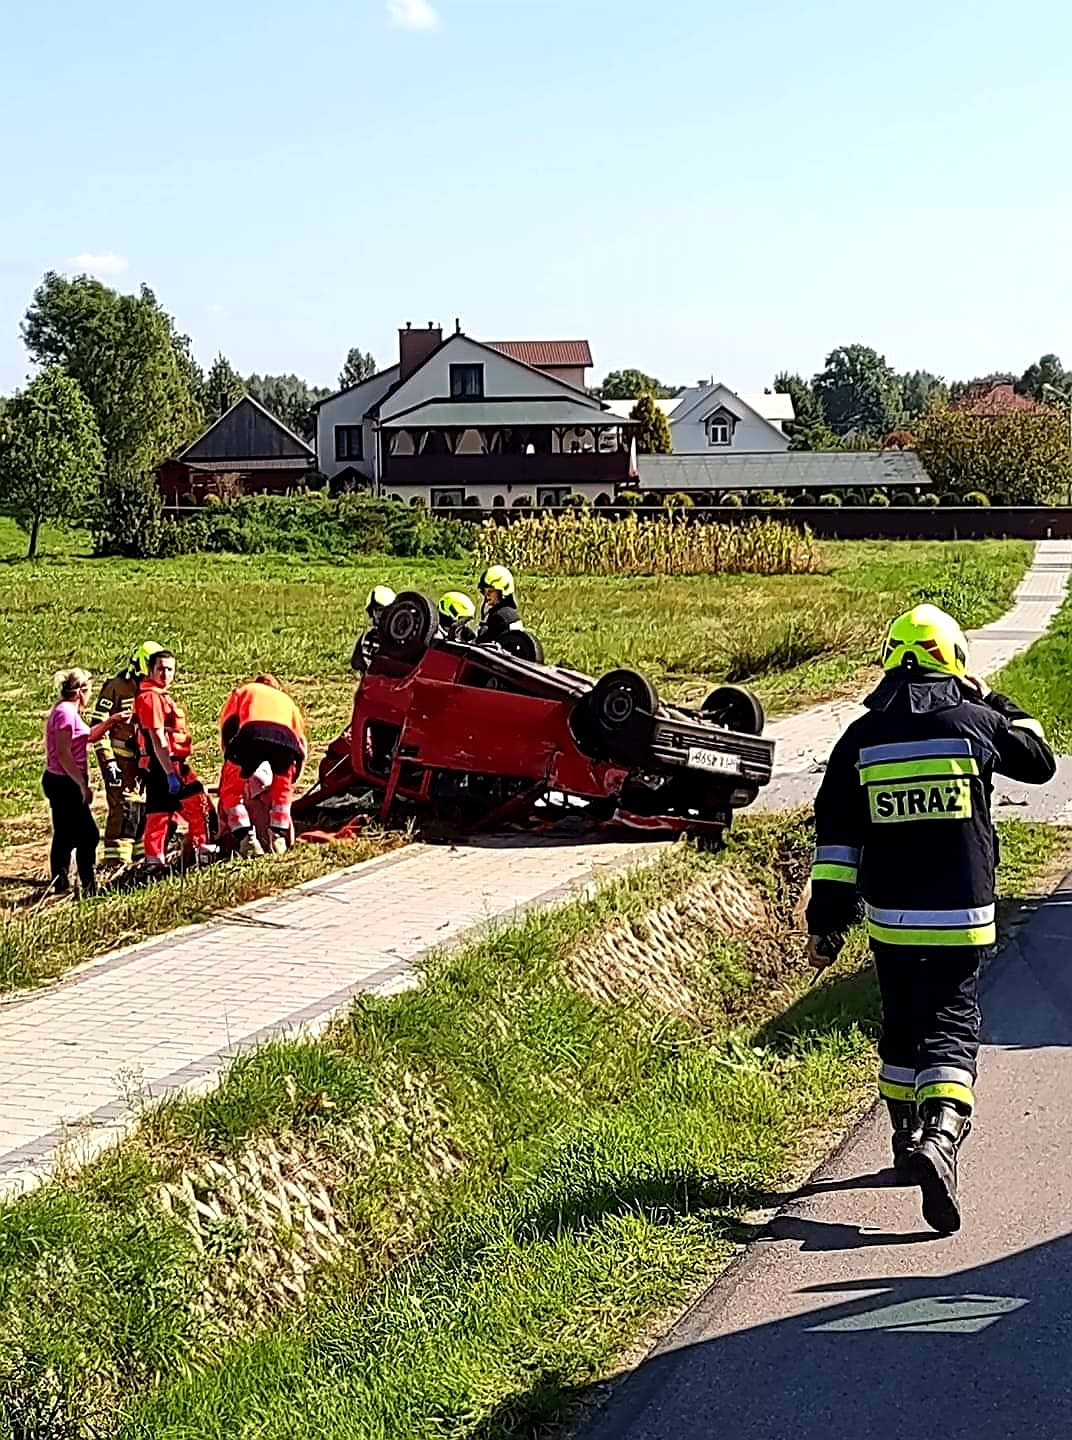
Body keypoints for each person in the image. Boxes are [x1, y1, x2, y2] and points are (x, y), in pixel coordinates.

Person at [805, 604, 1055, 1234]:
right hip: (962, 914)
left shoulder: (857, 741)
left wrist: (826, 922)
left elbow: (837, 845)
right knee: (950, 1021)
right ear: (955, 662)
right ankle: (941, 1134)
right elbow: (1039, 757)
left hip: (890, 918)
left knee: (901, 1022)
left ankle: (902, 1138)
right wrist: (994, 698)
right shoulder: (976, 724)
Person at [133, 649, 213, 871]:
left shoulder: (154, 696)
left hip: (157, 764)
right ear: (150, 671)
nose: (165, 674)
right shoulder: (151, 698)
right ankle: (202, 852)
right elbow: (157, 737)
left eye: (169, 669)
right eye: (160, 669)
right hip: (166, 763)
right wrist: (170, 772)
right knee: (198, 805)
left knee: (159, 812)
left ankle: (154, 862)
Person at [43, 669, 121, 895]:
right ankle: (87, 886)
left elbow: (86, 735)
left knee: (64, 834)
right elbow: (64, 754)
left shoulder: (65, 710)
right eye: (89, 690)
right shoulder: (66, 714)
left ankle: (60, 882)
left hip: (61, 780)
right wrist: (81, 785)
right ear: (81, 692)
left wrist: (110, 722)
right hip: (65, 782)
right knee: (88, 835)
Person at [90, 640, 162, 869]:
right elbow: (98, 727)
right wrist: (108, 761)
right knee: (124, 808)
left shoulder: (151, 690)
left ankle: (139, 858)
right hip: (119, 759)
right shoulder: (116, 687)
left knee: (142, 808)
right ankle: (115, 861)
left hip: (142, 761)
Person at [218, 674, 308, 857]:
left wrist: (231, 758)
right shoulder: (287, 701)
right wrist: (291, 777)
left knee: (230, 792)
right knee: (282, 793)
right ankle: (278, 836)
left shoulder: (245, 691)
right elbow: (301, 745)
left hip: (251, 735)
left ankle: (246, 838)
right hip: (285, 742)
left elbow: (228, 725)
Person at [351, 585, 397, 673]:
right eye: (379, 610)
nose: (383, 614)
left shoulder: (403, 639)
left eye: (386, 610)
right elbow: (356, 663)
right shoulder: (368, 637)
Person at [476, 565, 523, 645]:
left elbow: (483, 643)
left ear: (502, 592)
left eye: (490, 591)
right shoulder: (511, 612)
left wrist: (483, 624)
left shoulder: (498, 617)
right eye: (484, 592)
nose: (487, 595)